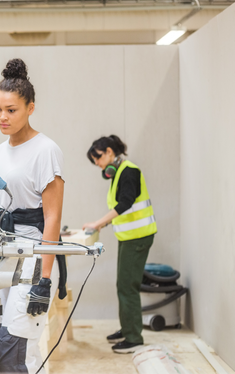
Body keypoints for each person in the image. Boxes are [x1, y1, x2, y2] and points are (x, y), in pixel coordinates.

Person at [0, 58, 67, 374]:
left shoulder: (46, 151)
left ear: (30, 108)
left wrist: (45, 280)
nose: (2, 117)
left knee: (14, 346)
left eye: (11, 110)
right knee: (27, 347)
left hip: (34, 259)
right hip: (6, 256)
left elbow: (52, 218)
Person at [82, 135, 156, 354]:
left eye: (97, 158)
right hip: (129, 237)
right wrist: (105, 224)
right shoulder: (120, 172)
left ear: (109, 152)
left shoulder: (129, 171)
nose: (97, 164)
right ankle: (127, 329)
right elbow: (124, 208)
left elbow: (126, 203)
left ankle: (134, 338)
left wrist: (98, 222)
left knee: (127, 286)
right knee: (123, 284)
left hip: (138, 238)